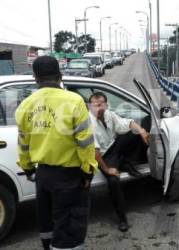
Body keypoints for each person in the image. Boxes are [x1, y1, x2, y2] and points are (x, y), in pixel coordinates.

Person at [15, 56, 98, 250]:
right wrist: (88, 171)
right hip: (69, 177)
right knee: (69, 228)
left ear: (35, 78)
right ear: (60, 76)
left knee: (47, 224)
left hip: (43, 176)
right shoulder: (74, 101)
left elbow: (23, 145)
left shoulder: (25, 105)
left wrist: (28, 169)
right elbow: (85, 142)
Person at [89, 92, 150, 232]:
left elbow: (128, 122)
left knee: (133, 132)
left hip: (114, 148)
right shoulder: (88, 122)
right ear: (90, 106)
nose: (98, 108)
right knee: (113, 182)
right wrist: (107, 170)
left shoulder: (109, 114)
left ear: (106, 104)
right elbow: (95, 153)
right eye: (95, 105)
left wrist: (141, 130)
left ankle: (126, 162)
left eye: (101, 105)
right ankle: (122, 218)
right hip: (103, 156)